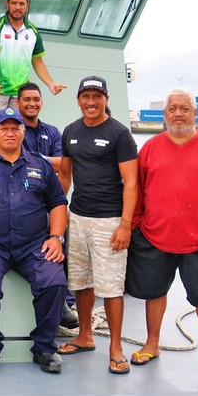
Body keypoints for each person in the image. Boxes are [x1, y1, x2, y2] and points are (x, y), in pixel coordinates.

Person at [126, 88, 198, 378]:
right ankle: (152, 343)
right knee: (154, 292)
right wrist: (136, 225)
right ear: (165, 114)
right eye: (172, 108)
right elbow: (137, 189)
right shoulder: (150, 147)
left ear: (194, 113)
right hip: (154, 236)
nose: (178, 113)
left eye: (184, 108)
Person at [0, 107, 69, 375]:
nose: (10, 132)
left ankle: (45, 347)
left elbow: (57, 204)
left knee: (54, 281)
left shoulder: (39, 164)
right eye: (4, 128)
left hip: (34, 245)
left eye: (15, 127)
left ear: (23, 131)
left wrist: (56, 238)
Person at [57, 75, 138, 375]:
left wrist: (125, 225)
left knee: (112, 287)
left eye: (97, 96)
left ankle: (115, 347)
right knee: (81, 281)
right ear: (78, 100)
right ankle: (85, 334)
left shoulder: (119, 134)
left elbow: (131, 182)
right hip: (78, 216)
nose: (91, 102)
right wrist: (58, 210)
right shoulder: (71, 132)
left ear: (105, 99)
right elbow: (65, 176)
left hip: (110, 220)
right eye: (85, 96)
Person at [17, 82, 78, 330]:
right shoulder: (11, 130)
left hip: (48, 200)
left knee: (63, 232)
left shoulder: (52, 132)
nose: (32, 103)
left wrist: (37, 160)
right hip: (20, 203)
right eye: (26, 100)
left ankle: (66, 300)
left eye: (36, 99)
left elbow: (64, 165)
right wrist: (46, 162)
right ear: (18, 103)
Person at [0, 0, 66, 129]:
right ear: (7, 4)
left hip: (20, 93)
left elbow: (37, 62)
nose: (17, 7)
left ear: (28, 5)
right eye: (14, 3)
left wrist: (51, 84)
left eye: (21, 4)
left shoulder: (33, 32)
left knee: (18, 132)